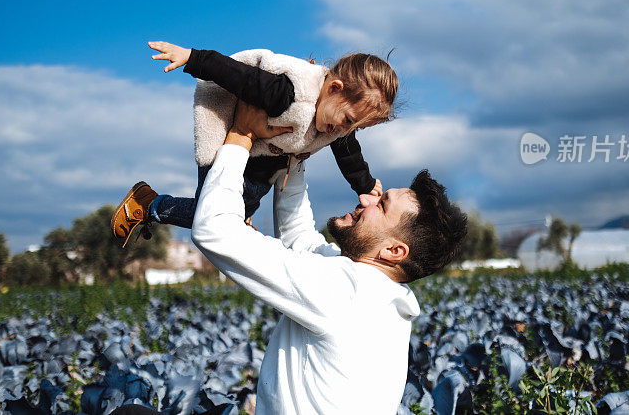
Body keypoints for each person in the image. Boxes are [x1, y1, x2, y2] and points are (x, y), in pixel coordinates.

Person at [191, 98, 467, 414]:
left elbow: (213, 229)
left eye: (383, 205)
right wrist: (292, 151)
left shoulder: (347, 292)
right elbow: (299, 236)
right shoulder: (378, 292)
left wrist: (241, 134)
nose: (366, 198)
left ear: (393, 251)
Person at [111, 41, 397, 246]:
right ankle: (149, 205)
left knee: (237, 213)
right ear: (334, 89)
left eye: (354, 126)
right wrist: (193, 58)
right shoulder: (288, 93)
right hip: (229, 145)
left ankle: (237, 216)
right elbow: (239, 76)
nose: (345, 130)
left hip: (259, 160)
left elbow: (349, 153)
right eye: (348, 120)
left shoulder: (337, 121)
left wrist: (364, 185)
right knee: (207, 214)